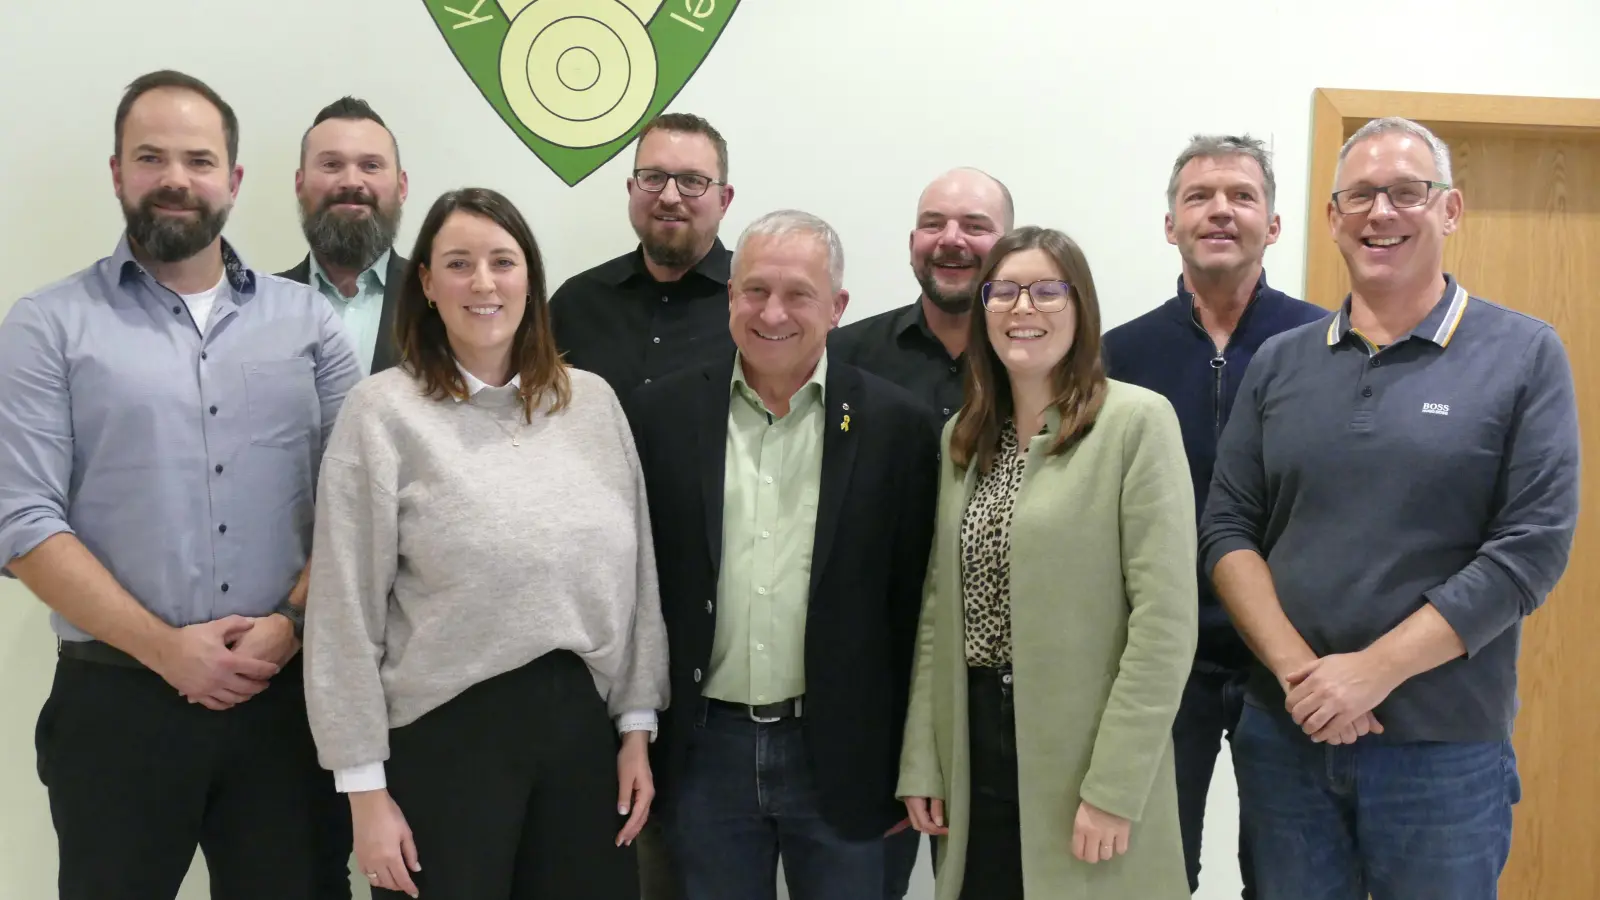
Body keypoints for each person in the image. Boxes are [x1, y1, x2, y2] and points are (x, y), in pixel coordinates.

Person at [0, 69, 361, 900]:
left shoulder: (309, 325)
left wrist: (289, 625)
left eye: (199, 160)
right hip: (117, 704)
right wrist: (167, 651)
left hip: (286, 704)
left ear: (233, 181)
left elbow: (358, 511)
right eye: (150, 156)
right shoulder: (47, 326)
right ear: (118, 172)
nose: (174, 178)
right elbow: (22, 521)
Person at [1200, 117, 1579, 900]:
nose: (1382, 213)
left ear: (1450, 210)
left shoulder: (1525, 354)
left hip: (1442, 751)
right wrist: (1306, 679)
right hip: (1287, 735)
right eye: (1362, 195)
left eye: (1407, 192)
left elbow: (1529, 551)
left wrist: (1371, 675)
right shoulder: (1281, 361)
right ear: (1333, 218)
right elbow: (1228, 527)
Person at [302, 186, 670, 900]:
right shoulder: (382, 414)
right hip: (443, 742)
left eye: (502, 261)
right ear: (428, 285)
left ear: (529, 279)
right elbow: (344, 612)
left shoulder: (591, 404)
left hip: (579, 738)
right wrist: (363, 792)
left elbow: (637, 579)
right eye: (459, 263)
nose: (483, 282)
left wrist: (635, 725)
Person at [627, 209, 941, 900]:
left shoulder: (901, 429)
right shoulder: (660, 417)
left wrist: (915, 760)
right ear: (730, 297)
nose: (773, 311)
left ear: (837, 307)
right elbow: (635, 592)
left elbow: (919, 611)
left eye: (799, 293)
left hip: (846, 755)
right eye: (755, 290)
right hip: (705, 752)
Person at [898, 226, 1197, 900]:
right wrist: (924, 759)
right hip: (974, 746)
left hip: (1083, 750)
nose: (1021, 308)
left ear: (1080, 307)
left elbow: (1165, 626)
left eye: (1045, 291)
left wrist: (1116, 787)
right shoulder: (966, 438)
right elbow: (939, 608)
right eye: (1002, 292)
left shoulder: (1136, 423)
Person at [1100, 134, 1324, 897]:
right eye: (1199, 197)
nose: (1220, 211)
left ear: (1275, 223)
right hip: (1163, 659)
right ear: (1170, 225)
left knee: (1290, 876)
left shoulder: (1328, 347)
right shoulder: (1114, 357)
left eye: (1241, 196)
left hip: (1291, 659)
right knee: (1156, 873)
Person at [550, 112, 737, 403]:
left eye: (691, 180)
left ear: (724, 201)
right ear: (631, 189)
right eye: (653, 177)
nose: (670, 196)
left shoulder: (758, 304)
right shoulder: (575, 304)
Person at [830, 167, 1013, 422]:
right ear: (912, 244)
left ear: (1009, 248)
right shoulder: (841, 356)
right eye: (933, 224)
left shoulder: (1036, 360)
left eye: (974, 227)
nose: (950, 239)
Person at [278, 96, 409, 376]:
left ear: (401, 187)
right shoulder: (256, 307)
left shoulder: (441, 300)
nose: (351, 181)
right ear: (299, 185)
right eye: (331, 165)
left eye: (371, 166)